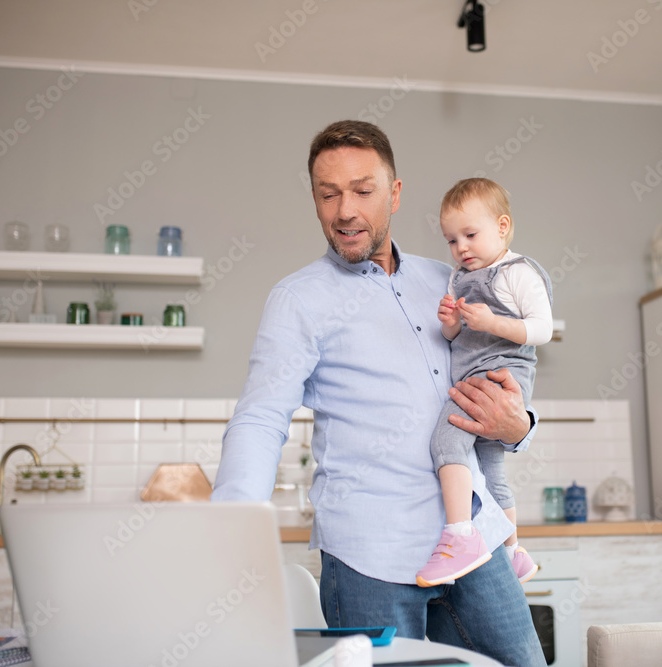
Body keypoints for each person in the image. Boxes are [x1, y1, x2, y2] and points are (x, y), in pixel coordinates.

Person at [211, 120, 545, 666]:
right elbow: (261, 417)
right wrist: (229, 531)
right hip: (369, 556)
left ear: (393, 194)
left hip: (473, 540)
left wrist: (521, 426)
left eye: (363, 191)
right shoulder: (297, 300)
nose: (345, 210)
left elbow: (504, 364)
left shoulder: (452, 281)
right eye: (328, 194)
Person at [415, 178, 552, 588]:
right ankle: (513, 553)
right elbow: (458, 342)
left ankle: (460, 535)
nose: (462, 248)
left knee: (444, 443)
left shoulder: (518, 272)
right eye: (452, 240)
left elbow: (542, 329)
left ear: (503, 226)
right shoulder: (458, 278)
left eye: (470, 235)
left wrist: (491, 322)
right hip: (474, 372)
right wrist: (452, 325)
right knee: (490, 468)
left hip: (498, 376)